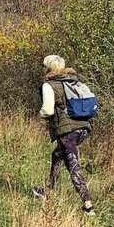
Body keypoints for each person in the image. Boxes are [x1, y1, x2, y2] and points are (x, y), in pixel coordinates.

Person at [34, 54, 95, 215]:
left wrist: (40, 115)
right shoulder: (74, 81)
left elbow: (47, 110)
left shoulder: (49, 85)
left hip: (67, 130)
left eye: (43, 65)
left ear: (47, 67)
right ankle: (47, 191)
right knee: (57, 156)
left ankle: (88, 206)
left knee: (72, 165)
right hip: (83, 128)